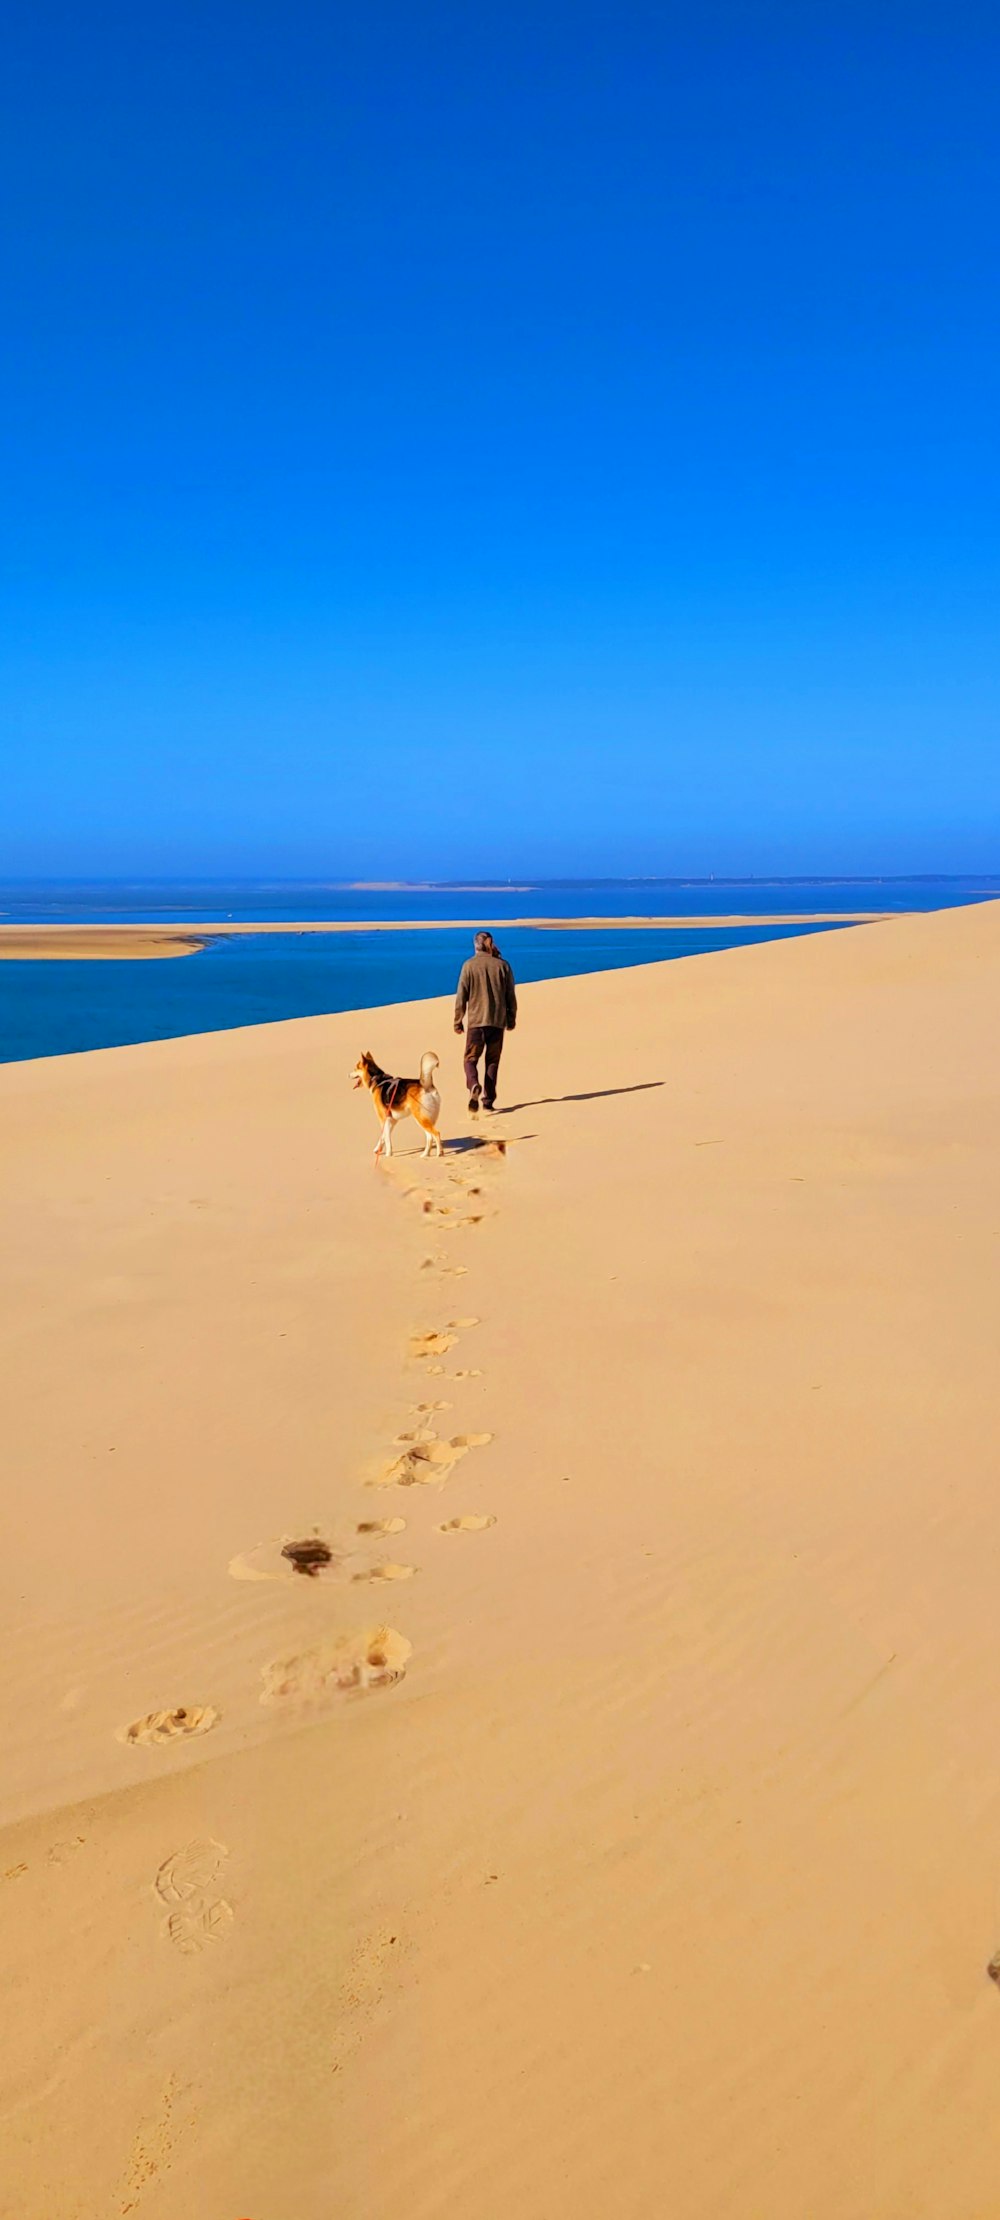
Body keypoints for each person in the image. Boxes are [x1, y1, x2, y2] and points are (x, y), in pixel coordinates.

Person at [454, 930, 517, 1114]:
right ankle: (488, 1101)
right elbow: (510, 996)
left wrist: (458, 1021)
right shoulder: (503, 966)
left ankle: (473, 1084)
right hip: (497, 1023)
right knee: (492, 1061)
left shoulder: (468, 966)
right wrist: (511, 1019)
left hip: (476, 1023)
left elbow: (461, 997)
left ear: (475, 945)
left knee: (470, 1060)